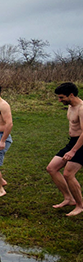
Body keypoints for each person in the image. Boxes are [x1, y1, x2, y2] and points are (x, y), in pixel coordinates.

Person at [46, 82, 83, 216]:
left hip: (81, 145)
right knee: (52, 168)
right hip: (72, 142)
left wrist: (73, 151)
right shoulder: (70, 106)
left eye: (62, 97)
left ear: (71, 95)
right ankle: (69, 198)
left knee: (68, 174)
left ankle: (80, 205)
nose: (59, 100)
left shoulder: (81, 108)